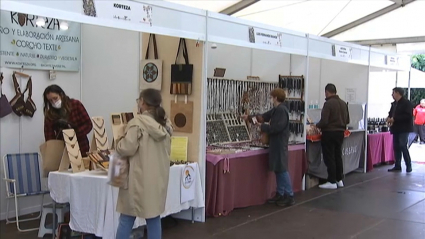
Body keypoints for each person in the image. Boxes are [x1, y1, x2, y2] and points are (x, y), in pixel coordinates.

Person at [115, 89, 173, 239]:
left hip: (137, 179)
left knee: (126, 218)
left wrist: (118, 140)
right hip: (157, 179)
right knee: (153, 217)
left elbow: (126, 148)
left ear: (142, 102)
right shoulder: (165, 124)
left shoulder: (137, 124)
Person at [242, 88, 294, 207]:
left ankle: (289, 195)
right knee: (278, 169)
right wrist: (249, 118)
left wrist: (263, 127)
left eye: (271, 97)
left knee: (282, 169)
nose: (270, 99)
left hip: (280, 143)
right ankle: (280, 193)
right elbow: (263, 116)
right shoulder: (276, 110)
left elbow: (277, 128)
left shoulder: (281, 110)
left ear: (275, 98)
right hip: (276, 144)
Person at [316, 84, 349, 190]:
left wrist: (317, 125)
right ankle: (339, 179)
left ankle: (331, 180)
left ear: (326, 92)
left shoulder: (328, 104)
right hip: (340, 133)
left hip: (329, 133)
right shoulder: (344, 104)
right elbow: (347, 120)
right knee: (337, 155)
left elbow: (324, 121)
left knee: (329, 157)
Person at [43, 85, 92, 157]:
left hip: (81, 146)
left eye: (55, 98)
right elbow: (49, 135)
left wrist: (74, 134)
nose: (53, 102)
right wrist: (53, 148)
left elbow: (88, 124)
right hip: (62, 149)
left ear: (61, 95)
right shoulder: (50, 114)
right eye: (50, 100)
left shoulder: (76, 105)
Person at [387, 88, 413, 173]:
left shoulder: (407, 103)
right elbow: (391, 113)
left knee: (402, 145)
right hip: (396, 128)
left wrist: (394, 119)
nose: (392, 94)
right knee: (396, 146)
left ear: (398, 93)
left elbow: (408, 116)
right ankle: (397, 165)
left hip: (404, 128)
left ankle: (408, 165)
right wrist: (388, 118)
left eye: (393, 93)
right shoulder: (394, 104)